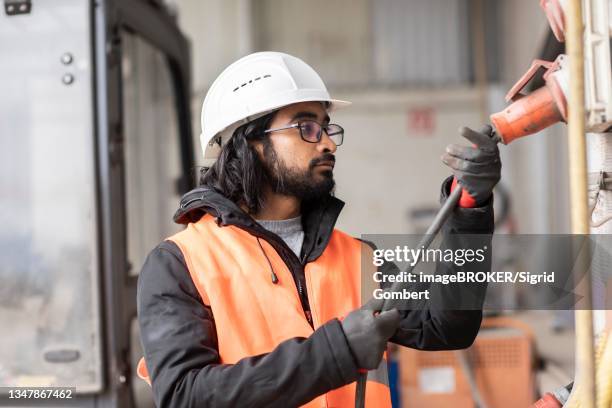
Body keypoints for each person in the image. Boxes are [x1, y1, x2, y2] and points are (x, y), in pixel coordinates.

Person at [136, 51, 501, 407]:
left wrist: (468, 210)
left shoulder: (356, 257)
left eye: (327, 128)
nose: (327, 143)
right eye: (306, 127)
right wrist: (334, 352)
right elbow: (184, 395)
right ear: (250, 142)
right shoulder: (180, 264)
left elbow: (449, 325)